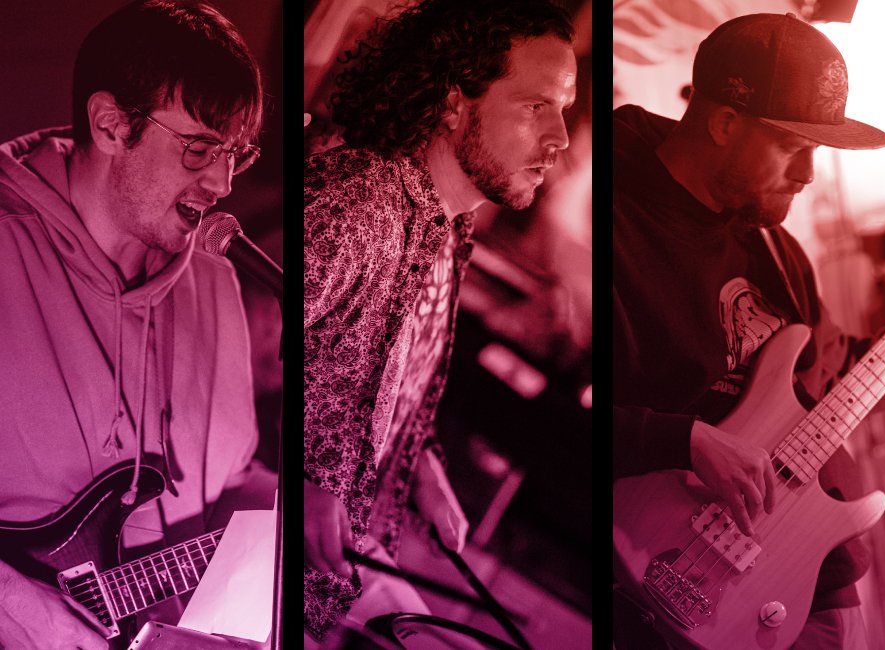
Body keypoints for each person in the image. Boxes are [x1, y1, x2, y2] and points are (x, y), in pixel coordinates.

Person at [0, 2, 275, 648]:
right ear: (110, 124)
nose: (223, 182)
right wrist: (22, 610)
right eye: (200, 149)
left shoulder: (217, 280)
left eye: (237, 153)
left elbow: (232, 482)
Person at [613, 12, 885, 650]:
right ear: (724, 123)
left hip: (789, 565)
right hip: (654, 550)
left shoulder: (780, 255)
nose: (809, 175)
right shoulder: (622, 225)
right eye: (795, 148)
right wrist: (684, 439)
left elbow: (829, 373)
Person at [304, 0, 577, 642]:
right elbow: (225, 352)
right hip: (237, 552)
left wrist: (418, 462)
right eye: (537, 105)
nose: (560, 137)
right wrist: (299, 476)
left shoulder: (445, 229)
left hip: (330, 571)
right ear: (455, 104)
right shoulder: (359, 205)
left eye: (563, 110)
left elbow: (366, 379)